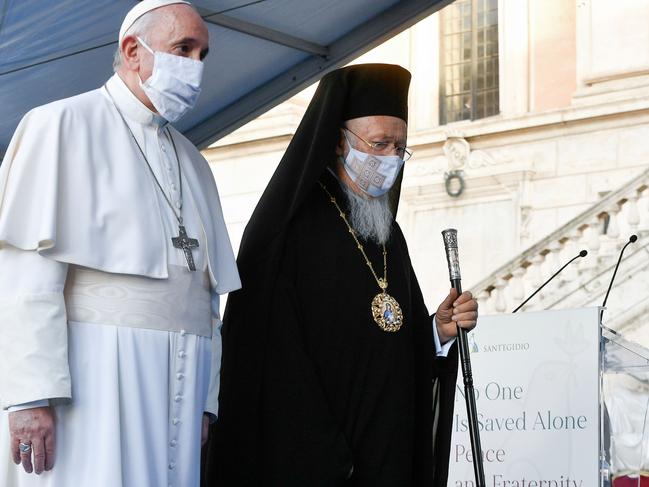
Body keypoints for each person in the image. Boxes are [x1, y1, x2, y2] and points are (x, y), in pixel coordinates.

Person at [0, 1, 240, 486]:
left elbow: (206, 299)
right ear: (133, 51)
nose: (195, 66)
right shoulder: (60, 125)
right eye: (183, 49)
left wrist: (204, 403)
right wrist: (29, 396)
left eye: (202, 54)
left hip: (178, 385)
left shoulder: (194, 162)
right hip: (93, 382)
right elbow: (25, 275)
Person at [205, 64, 478, 486]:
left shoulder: (388, 235)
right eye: (379, 143)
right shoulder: (287, 231)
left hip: (388, 455)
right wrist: (330, 458)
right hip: (318, 461)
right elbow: (270, 361)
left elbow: (390, 343)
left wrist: (435, 333)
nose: (390, 159)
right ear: (338, 141)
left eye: (399, 147)